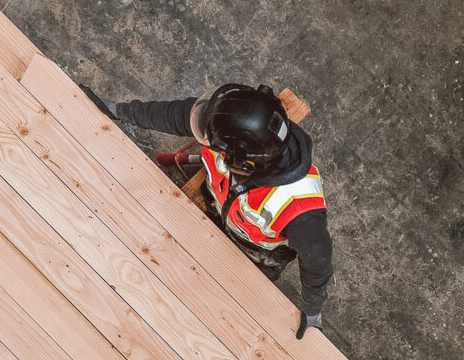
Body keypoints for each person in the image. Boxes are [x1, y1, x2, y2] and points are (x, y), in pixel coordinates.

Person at [83, 83, 331, 339]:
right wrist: (117, 110)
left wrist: (313, 311)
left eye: (215, 146)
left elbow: (318, 264)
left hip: (255, 250)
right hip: (218, 203)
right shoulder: (230, 125)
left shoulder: (299, 210)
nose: (207, 141)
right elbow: (175, 115)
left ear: (242, 162)